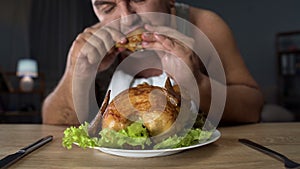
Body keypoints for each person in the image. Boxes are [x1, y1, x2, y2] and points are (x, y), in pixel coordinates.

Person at [42, 0, 264, 126]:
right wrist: (78, 72)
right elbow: (53, 123)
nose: (126, 18)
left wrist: (196, 83)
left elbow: (252, 108)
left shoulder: (205, 26)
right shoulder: (92, 42)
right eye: (108, 7)